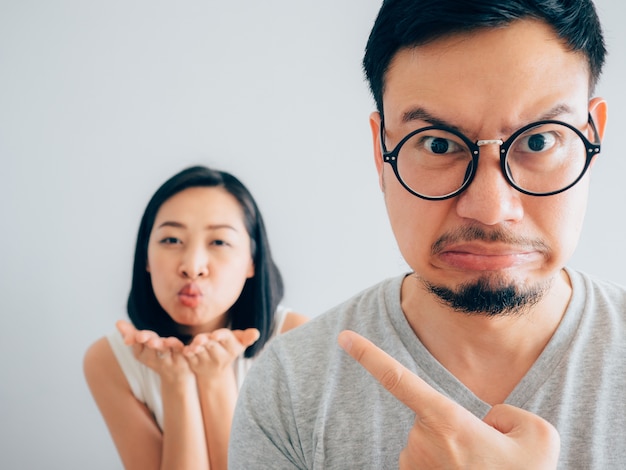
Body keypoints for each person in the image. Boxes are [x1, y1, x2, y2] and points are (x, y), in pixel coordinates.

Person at [229, 1, 626, 468]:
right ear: (382, 153)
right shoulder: (289, 387)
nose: (491, 209)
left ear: (592, 139)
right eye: (437, 144)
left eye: (538, 141)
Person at [83, 165, 307, 470]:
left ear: (252, 262)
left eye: (218, 242)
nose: (192, 266)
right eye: (171, 240)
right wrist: (177, 382)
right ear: (145, 257)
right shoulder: (108, 361)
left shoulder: (295, 341)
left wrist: (214, 377)